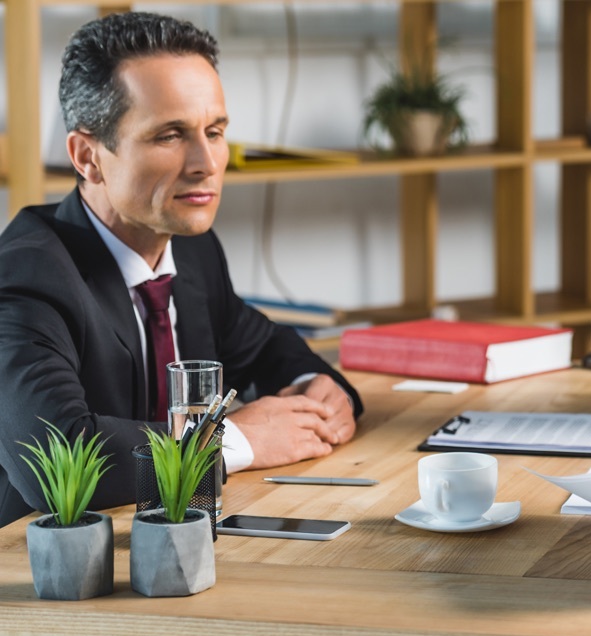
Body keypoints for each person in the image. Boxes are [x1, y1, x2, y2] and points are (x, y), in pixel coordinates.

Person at [0, 12, 365, 529]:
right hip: (37, 577)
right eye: (170, 135)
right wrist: (233, 441)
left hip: (171, 544)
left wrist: (317, 388)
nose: (207, 163)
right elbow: (58, 459)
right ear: (88, 156)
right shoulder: (24, 276)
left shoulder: (192, 251)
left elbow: (263, 347)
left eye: (214, 131)